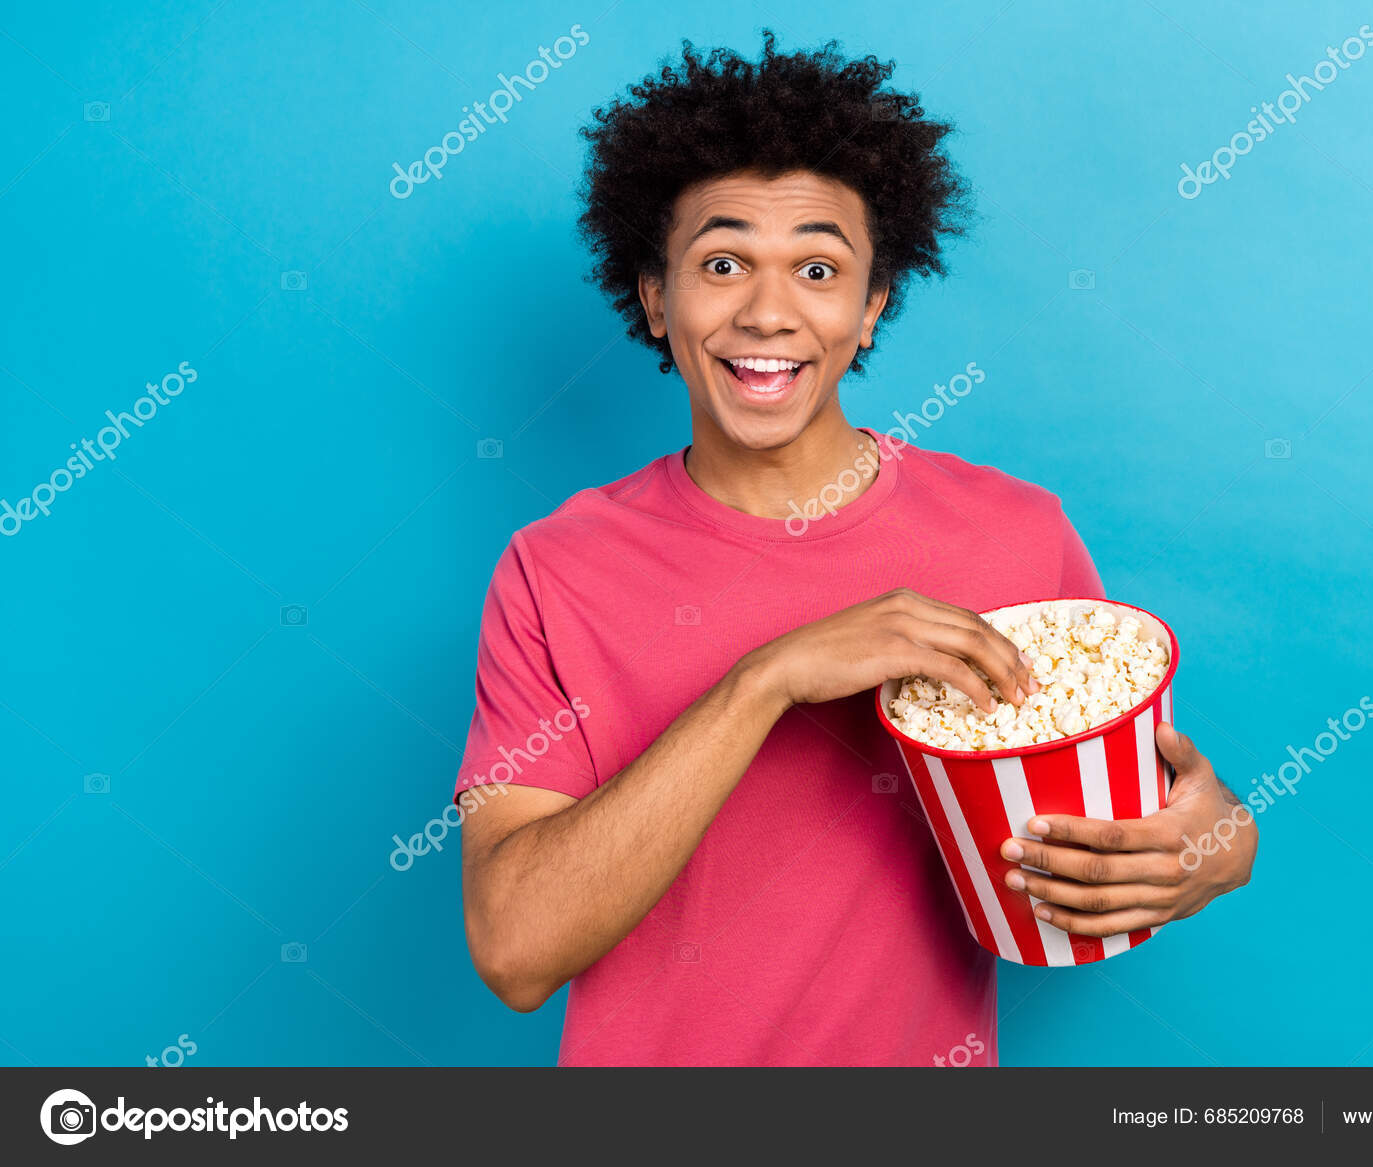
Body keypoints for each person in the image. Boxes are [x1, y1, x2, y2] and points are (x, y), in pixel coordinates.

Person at [454, 30, 1256, 1066]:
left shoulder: (1013, 533)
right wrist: (767, 680)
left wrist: (1217, 846)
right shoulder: (555, 568)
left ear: (871, 308)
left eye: (819, 268)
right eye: (723, 262)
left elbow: (1153, 806)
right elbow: (516, 951)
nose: (768, 312)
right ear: (657, 299)